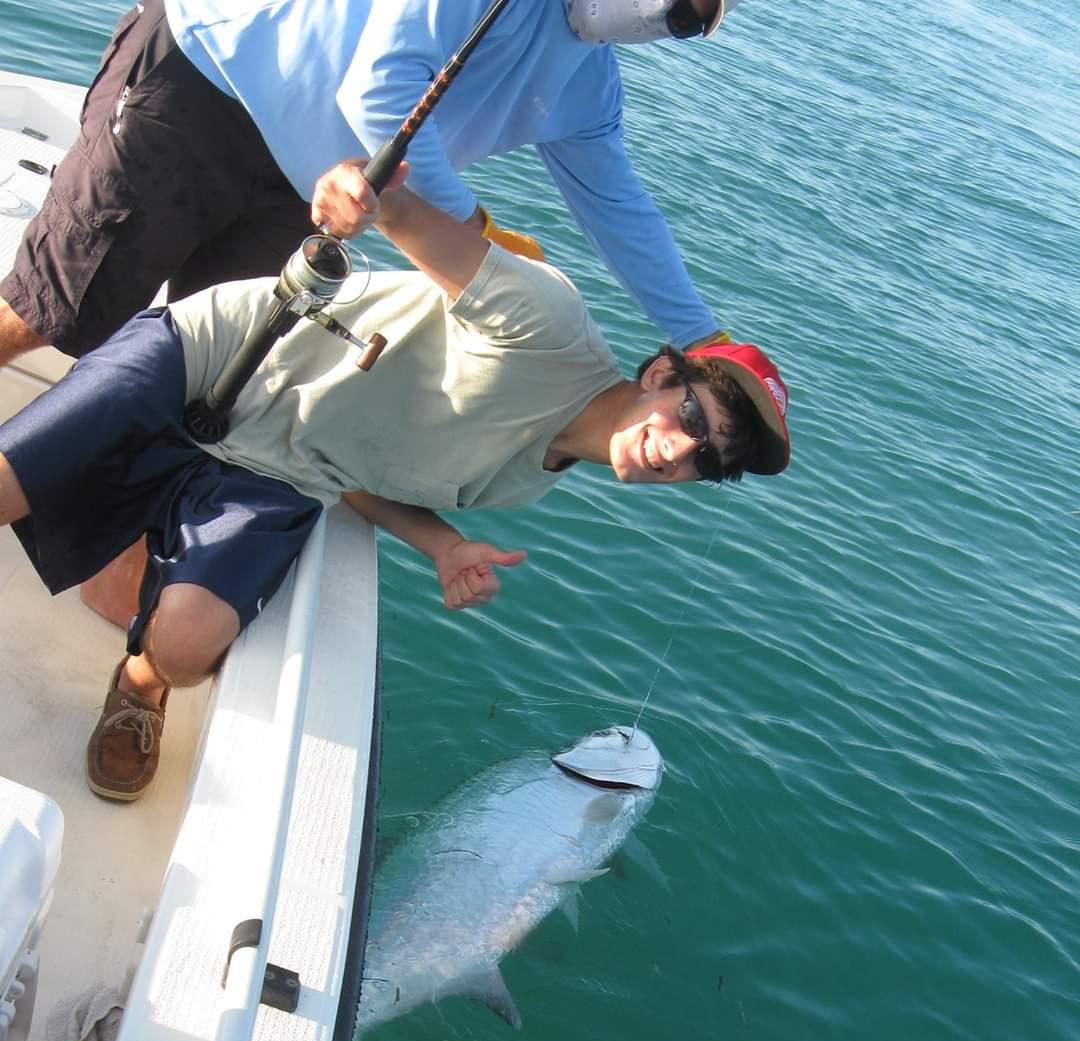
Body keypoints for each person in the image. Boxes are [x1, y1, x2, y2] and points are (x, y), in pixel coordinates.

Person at [0, 159, 789, 804]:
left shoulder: (531, 483)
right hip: (216, 359)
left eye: (707, 461)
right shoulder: (551, 322)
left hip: (281, 471)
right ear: (661, 374)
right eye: (693, 415)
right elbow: (397, 211)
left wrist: (442, 546)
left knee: (184, 648)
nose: (679, 450)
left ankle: (140, 688)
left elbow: (359, 478)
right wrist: (355, 190)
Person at [0, 0, 739, 371]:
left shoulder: (589, 88)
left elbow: (621, 209)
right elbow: (378, 94)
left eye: (682, 18)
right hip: (205, 85)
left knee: (196, 366)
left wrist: (704, 339)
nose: (654, 11)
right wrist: (474, 233)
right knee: (56, 312)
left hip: (310, 190)